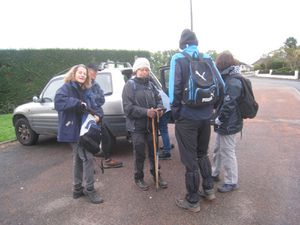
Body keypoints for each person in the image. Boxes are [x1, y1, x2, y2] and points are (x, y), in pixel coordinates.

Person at [169, 29, 225, 212]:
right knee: (202, 153)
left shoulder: (178, 58)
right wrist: (213, 108)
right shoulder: (207, 57)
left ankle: (192, 200)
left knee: (190, 159)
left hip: (187, 117)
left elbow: (174, 89)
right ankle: (208, 190)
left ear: (182, 43)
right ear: (195, 43)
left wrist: (176, 112)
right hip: (205, 116)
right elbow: (221, 86)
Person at [54, 64, 104, 204]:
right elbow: (58, 101)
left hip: (85, 130)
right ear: (74, 74)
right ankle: (90, 189)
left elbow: (94, 107)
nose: (82, 75)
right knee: (87, 158)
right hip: (73, 131)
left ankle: (77, 189)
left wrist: (98, 116)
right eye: (80, 72)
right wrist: (78, 103)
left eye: (84, 73)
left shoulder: (86, 90)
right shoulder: (67, 87)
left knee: (78, 158)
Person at [122, 57, 168, 191]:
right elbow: (128, 108)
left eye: (146, 70)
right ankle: (139, 177)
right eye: (141, 69)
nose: (144, 72)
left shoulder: (151, 85)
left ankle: (156, 175)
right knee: (140, 153)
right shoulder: (130, 85)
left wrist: (159, 109)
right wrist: (146, 112)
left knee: (154, 152)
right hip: (136, 127)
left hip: (151, 125)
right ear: (136, 70)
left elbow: (159, 99)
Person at [212, 51, 243, 193]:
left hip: (229, 123)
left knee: (228, 152)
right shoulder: (229, 77)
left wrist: (220, 118)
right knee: (218, 149)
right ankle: (214, 172)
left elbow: (229, 104)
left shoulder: (233, 80)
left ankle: (231, 181)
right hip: (225, 122)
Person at [86, 63, 123, 169]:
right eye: (94, 71)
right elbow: (87, 102)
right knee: (89, 141)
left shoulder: (95, 84)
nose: (96, 74)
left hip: (99, 115)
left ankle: (107, 160)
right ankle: (89, 165)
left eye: (97, 71)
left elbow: (101, 99)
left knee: (106, 137)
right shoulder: (83, 85)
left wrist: (93, 100)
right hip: (88, 118)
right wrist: (93, 100)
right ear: (88, 71)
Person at [157, 89, 173, 160]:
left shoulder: (149, 88)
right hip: (168, 108)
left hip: (163, 109)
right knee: (164, 129)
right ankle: (167, 146)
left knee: (163, 130)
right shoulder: (155, 87)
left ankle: (167, 151)